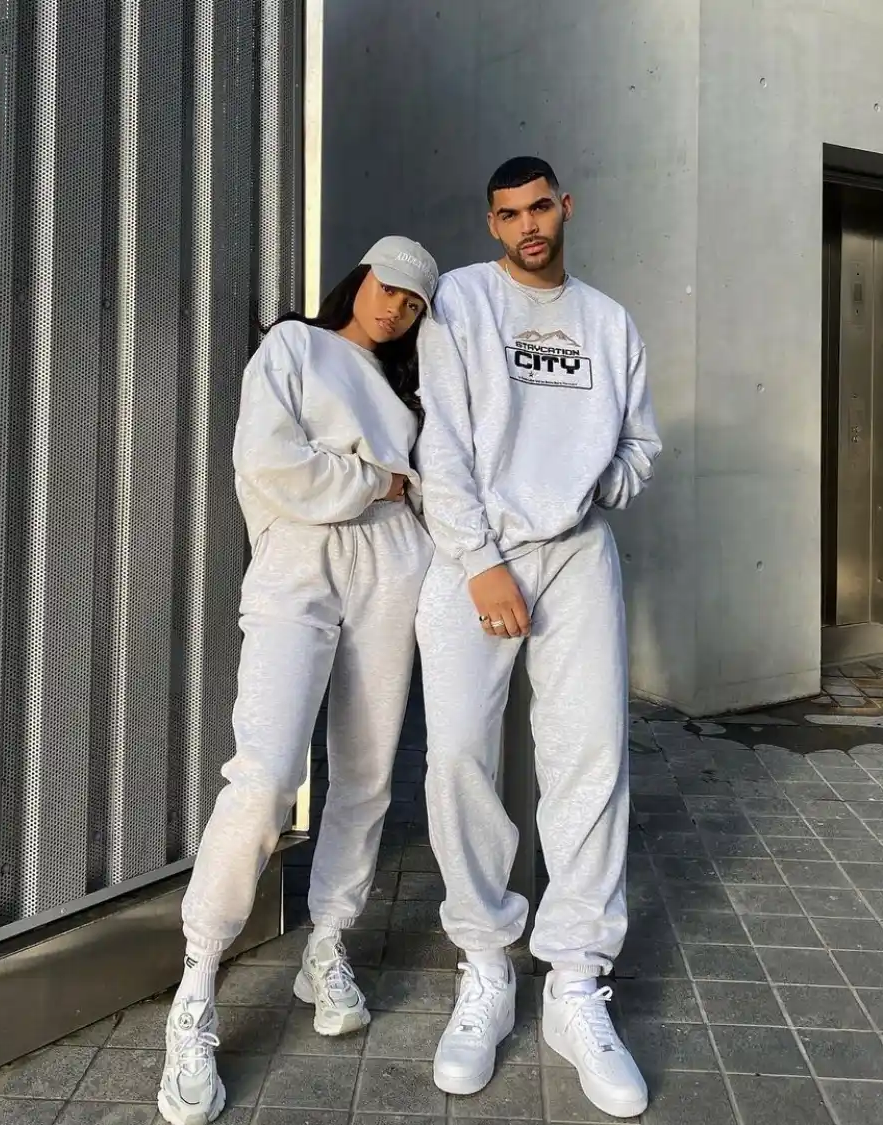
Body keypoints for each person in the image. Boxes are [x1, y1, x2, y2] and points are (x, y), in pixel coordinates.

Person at [157, 236, 439, 1125]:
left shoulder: (405, 394)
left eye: (415, 303)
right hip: (298, 562)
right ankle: (197, 983)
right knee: (269, 770)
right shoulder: (293, 346)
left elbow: (426, 492)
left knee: (365, 770)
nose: (395, 306)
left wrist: (391, 490)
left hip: (394, 567)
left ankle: (328, 942)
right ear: (359, 278)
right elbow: (271, 462)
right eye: (388, 286)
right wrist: (372, 480)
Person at [414, 157, 660, 1119]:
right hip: (475, 555)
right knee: (458, 760)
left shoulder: (608, 321)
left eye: (542, 207)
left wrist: (595, 492)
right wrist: (477, 558)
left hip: (576, 557)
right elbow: (440, 439)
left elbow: (638, 443)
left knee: (591, 756)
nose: (529, 225)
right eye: (510, 213)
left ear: (567, 206)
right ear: (491, 221)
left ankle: (574, 980)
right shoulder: (462, 305)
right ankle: (486, 963)